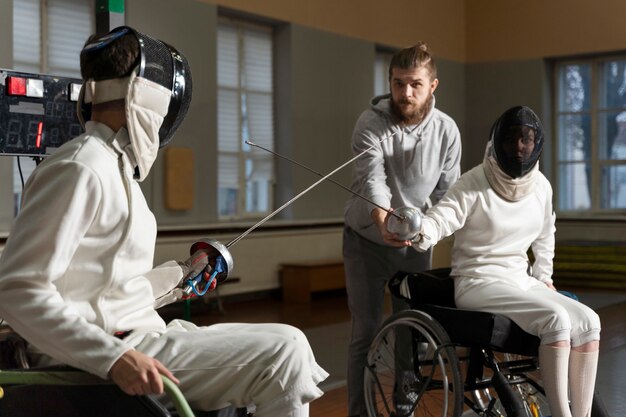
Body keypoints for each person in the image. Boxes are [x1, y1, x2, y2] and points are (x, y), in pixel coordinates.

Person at [0, 26, 327, 417]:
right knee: (284, 352)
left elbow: (105, 289)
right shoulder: (81, 167)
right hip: (102, 353)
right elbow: (18, 290)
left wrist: (181, 276)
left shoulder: (113, 168)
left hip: (136, 335)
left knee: (288, 343)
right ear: (149, 100)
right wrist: (114, 358)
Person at [401, 105, 601, 417]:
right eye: (513, 138)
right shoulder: (473, 183)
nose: (521, 146)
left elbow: (546, 234)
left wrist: (544, 276)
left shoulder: (541, 187)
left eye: (528, 139)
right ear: (498, 141)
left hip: (521, 281)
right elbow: (441, 219)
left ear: (536, 145)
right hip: (478, 281)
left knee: (589, 322)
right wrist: (419, 231)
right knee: (557, 321)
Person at [343, 42, 462, 416]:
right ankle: (359, 412)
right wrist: (383, 220)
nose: (405, 93)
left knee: (410, 331)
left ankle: (404, 408)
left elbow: (447, 195)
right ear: (390, 82)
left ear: (433, 85)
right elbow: (372, 181)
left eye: (415, 85)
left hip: (415, 245)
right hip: (365, 239)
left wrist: (424, 231)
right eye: (398, 84)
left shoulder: (447, 131)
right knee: (365, 331)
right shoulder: (371, 122)